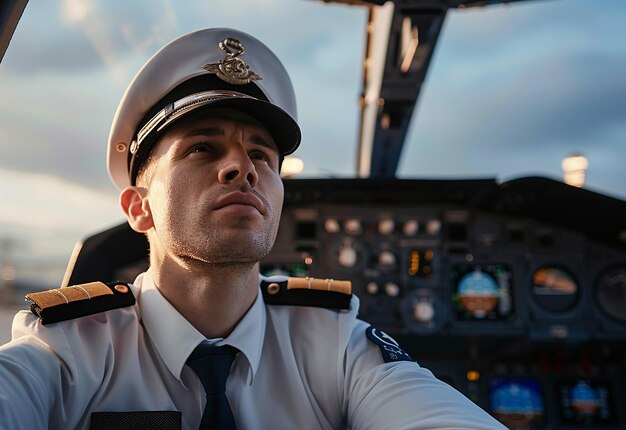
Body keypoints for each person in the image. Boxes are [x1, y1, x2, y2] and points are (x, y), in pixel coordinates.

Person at [0, 28, 506, 429]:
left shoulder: (335, 346)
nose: (243, 167)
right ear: (138, 208)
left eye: (261, 155)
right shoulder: (69, 350)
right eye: (203, 148)